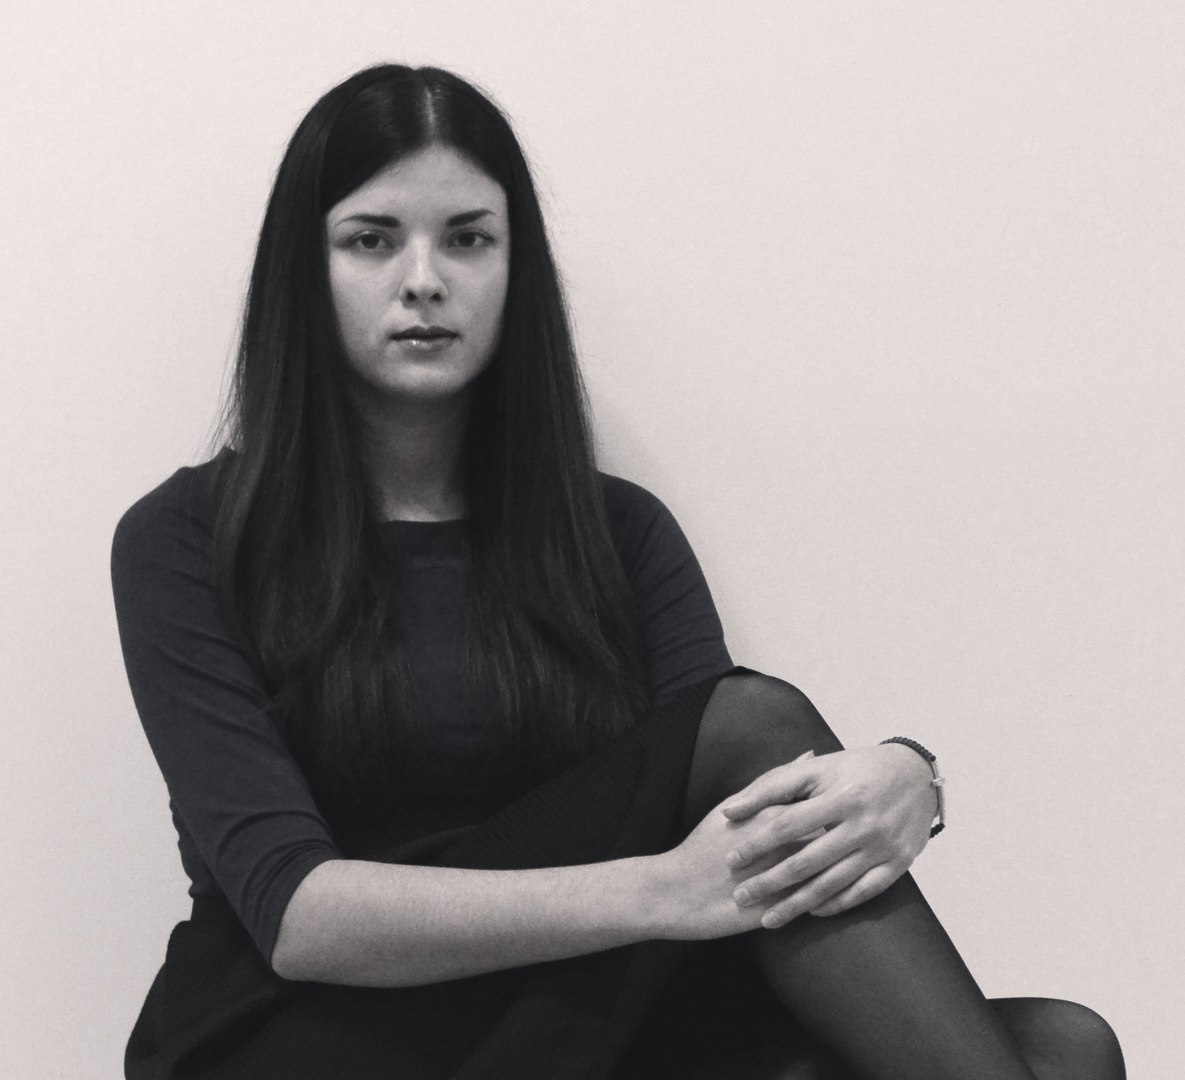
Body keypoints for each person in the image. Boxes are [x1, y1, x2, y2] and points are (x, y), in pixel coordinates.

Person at [111, 63, 1125, 1079]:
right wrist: (665, 892)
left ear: (517, 269)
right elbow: (298, 915)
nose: (423, 279)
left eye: (468, 238)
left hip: (566, 1020)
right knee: (752, 724)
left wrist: (911, 775)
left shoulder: (617, 535)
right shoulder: (190, 539)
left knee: (1064, 1049)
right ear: (306, 268)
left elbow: (729, 825)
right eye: (372, 240)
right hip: (302, 1033)